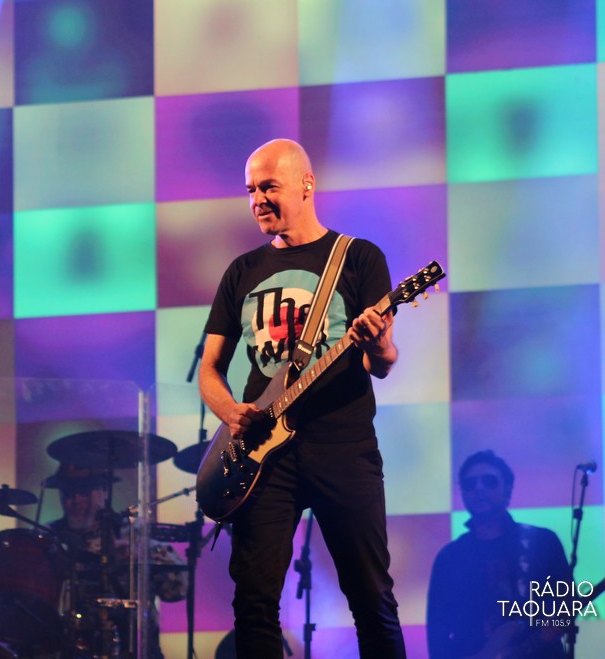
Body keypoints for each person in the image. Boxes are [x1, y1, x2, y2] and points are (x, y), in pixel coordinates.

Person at [198, 138, 406, 658]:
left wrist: (378, 342)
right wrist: (231, 413)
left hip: (343, 447)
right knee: (254, 603)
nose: (257, 200)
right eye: (251, 190)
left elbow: (382, 364)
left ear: (306, 184)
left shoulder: (358, 258)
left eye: (268, 187)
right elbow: (209, 368)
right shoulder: (241, 270)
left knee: (371, 598)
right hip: (264, 456)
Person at [426, 450, 570, 659]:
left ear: (508, 489)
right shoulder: (449, 558)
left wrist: (555, 625)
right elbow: (437, 631)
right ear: (463, 494)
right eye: (470, 484)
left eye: (490, 481)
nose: (479, 488)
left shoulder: (543, 542)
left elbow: (566, 601)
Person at [46, 463, 188, 659]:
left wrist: (139, 557)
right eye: (68, 493)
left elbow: (178, 590)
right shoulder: (48, 537)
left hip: (132, 649)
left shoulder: (132, 531)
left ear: (104, 491)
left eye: (84, 491)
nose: (76, 500)